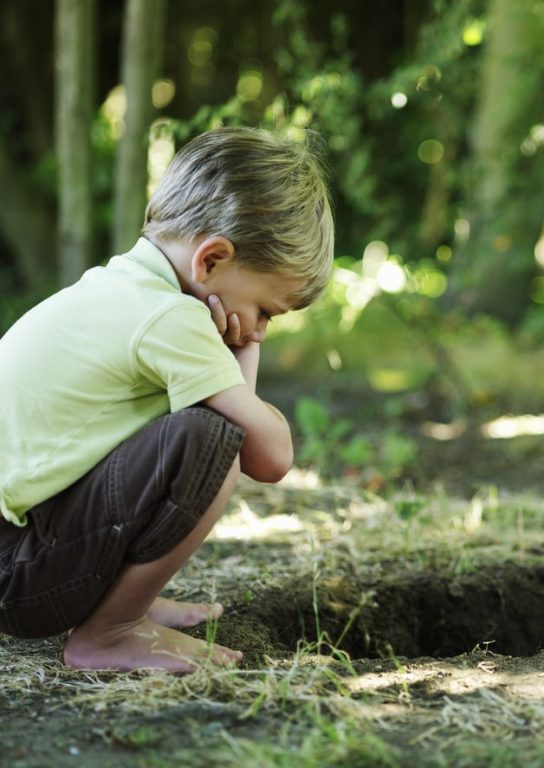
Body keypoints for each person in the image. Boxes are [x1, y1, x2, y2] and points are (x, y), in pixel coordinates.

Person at [0, 127, 334, 673]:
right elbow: (268, 455)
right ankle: (110, 631)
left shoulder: (118, 288)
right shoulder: (169, 318)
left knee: (194, 423)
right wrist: (244, 348)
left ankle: (123, 603)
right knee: (211, 440)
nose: (260, 329)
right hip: (15, 574)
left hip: (15, 554)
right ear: (211, 261)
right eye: (267, 312)